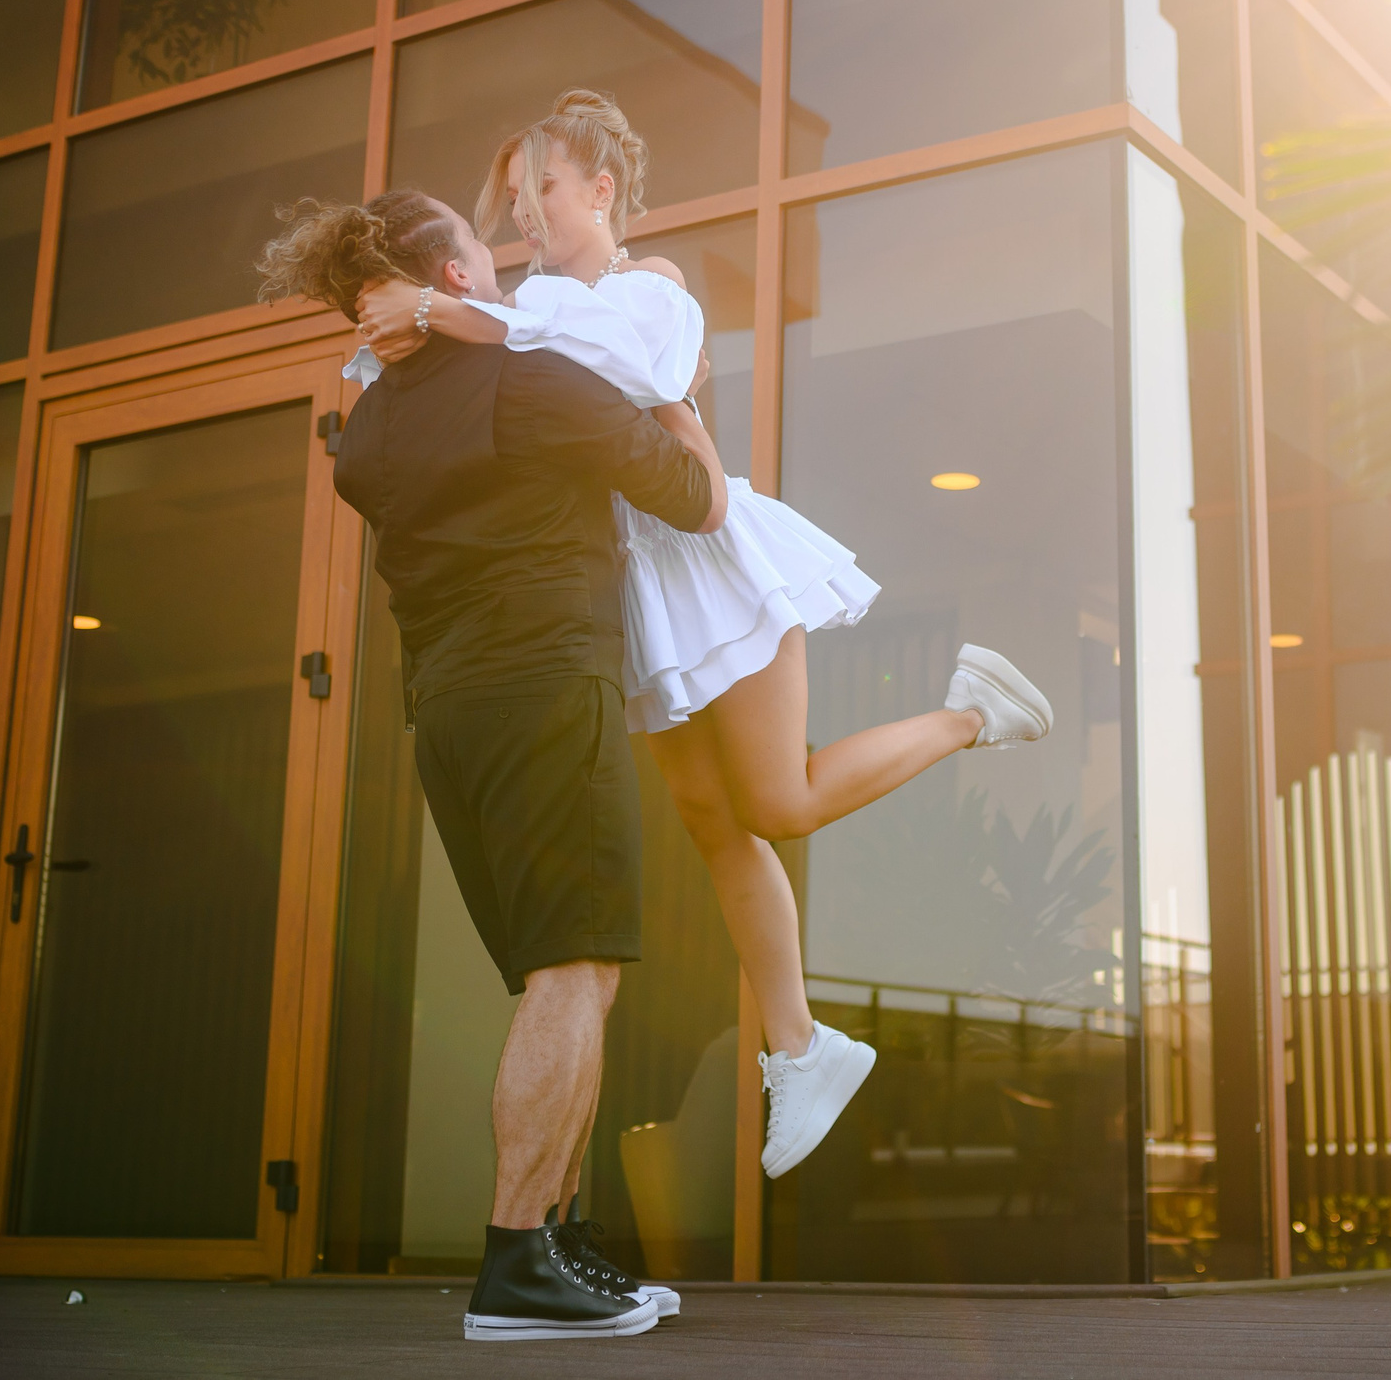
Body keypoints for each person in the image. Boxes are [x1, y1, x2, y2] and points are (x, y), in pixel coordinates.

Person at [351, 89, 1053, 1178]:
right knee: (712, 821)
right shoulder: (514, 311)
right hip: (637, 595)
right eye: (513, 192)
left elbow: (613, 369)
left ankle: (974, 710)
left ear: (601, 188)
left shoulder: (648, 288)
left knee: (780, 800)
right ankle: (802, 1047)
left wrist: (441, 313)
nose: (526, 209)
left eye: (544, 183)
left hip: (710, 567)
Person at [260, 188, 711, 1341]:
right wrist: (674, 397)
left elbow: (386, 429)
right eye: (482, 244)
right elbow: (691, 497)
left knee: (571, 976)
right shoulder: (533, 378)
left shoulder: (367, 436)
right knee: (573, 970)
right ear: (453, 275)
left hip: (451, 708)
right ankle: (516, 1260)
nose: (504, 259)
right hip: (549, 688)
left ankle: (557, 1244)